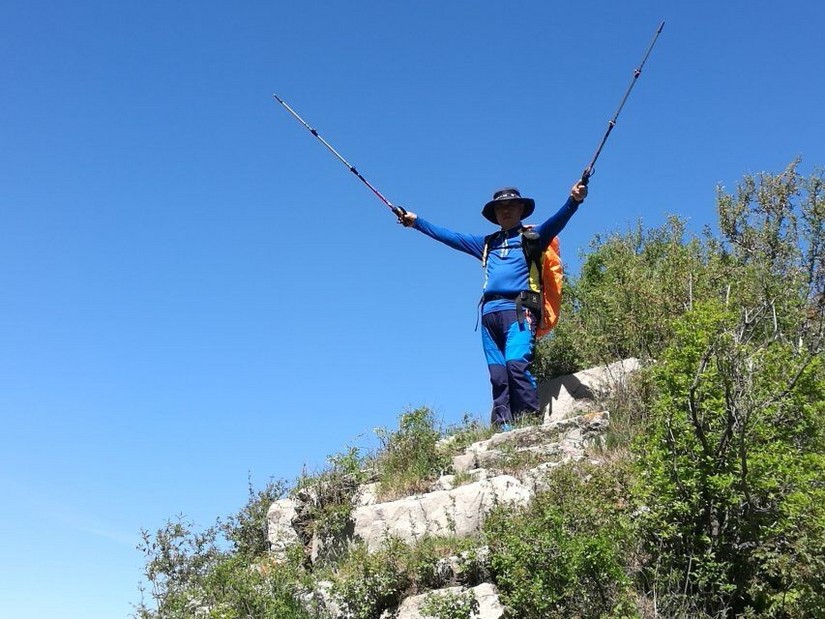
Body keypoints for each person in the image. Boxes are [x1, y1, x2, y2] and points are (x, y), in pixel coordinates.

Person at [400, 181, 587, 429]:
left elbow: (559, 219)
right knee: (498, 375)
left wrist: (574, 200)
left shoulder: (534, 237)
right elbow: (451, 237)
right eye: (500, 208)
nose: (505, 211)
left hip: (520, 310)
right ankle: (503, 426)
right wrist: (417, 222)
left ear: (522, 209)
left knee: (516, 365)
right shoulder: (486, 244)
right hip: (489, 315)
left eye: (511, 206)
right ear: (494, 215)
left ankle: (529, 422)